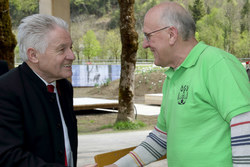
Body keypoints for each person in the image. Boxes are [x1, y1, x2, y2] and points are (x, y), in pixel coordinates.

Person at [104, 1, 250, 167]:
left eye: (148, 36)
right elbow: (161, 138)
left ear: (172, 34)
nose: (144, 44)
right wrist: (117, 166)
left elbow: (245, 124)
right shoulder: (172, 77)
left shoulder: (216, 63)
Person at [0, 14, 79, 167]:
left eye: (71, 47)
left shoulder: (64, 87)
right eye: (62, 49)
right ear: (33, 55)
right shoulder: (6, 91)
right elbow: (8, 157)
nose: (72, 55)